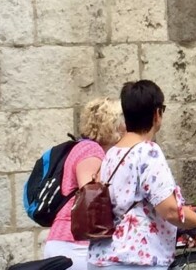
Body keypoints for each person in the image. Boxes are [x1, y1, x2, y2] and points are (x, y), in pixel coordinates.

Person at [89, 80, 196, 268]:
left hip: (102, 257)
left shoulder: (112, 153)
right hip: (135, 259)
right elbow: (170, 210)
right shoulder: (148, 152)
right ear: (157, 114)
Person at [43, 98, 125, 270]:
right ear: (111, 124)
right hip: (74, 245)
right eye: (122, 119)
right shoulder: (91, 150)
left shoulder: (82, 147)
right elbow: (92, 198)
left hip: (64, 241)